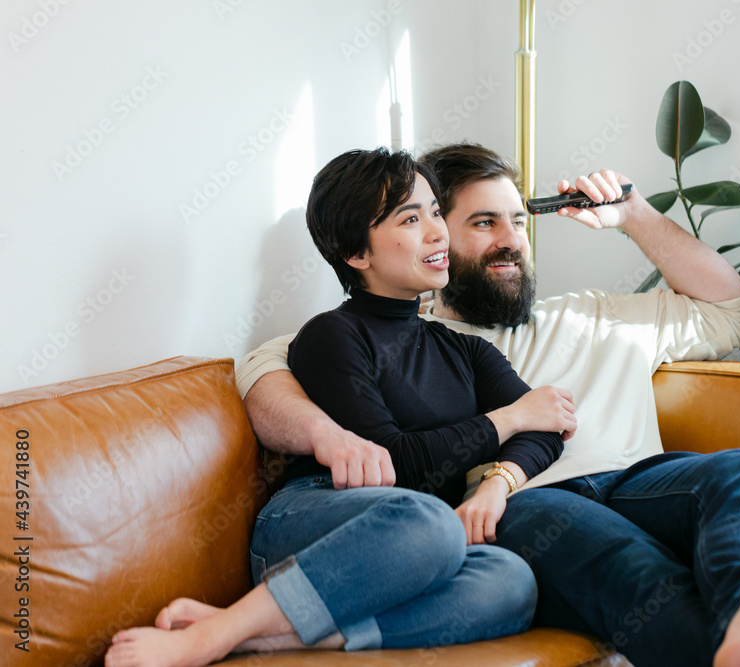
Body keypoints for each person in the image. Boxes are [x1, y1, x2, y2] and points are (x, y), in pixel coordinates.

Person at [230, 143, 740, 666]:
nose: (511, 241)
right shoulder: (390, 331)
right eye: (483, 223)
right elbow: (265, 369)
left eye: (518, 221)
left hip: (633, 481)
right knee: (626, 563)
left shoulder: (586, 314)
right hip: (533, 506)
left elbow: (732, 309)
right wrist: (330, 434)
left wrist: (634, 214)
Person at [105, 148, 575, 667]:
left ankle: (267, 637)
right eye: (411, 219)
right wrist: (511, 418)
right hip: (316, 520)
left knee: (511, 580)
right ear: (356, 253)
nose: (437, 233)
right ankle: (210, 637)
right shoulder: (331, 336)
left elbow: (548, 428)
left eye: (436, 212)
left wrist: (494, 486)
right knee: (433, 521)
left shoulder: (466, 350)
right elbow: (397, 463)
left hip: (413, 545)